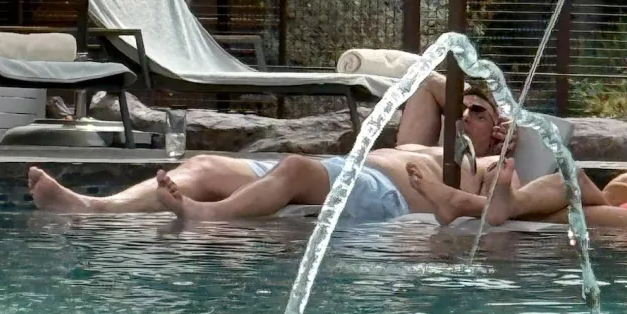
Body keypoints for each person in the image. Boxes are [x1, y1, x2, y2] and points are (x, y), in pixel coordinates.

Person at [27, 74, 516, 219]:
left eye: (479, 114)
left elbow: (503, 203)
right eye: (462, 109)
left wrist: (506, 131)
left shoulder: (484, 160)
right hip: (342, 169)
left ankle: (209, 217)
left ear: (495, 130)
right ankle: (95, 206)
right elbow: (431, 83)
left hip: (381, 193)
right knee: (205, 164)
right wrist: (479, 91)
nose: (466, 116)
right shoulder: (419, 144)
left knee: (296, 168)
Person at [406, 76, 627, 228]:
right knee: (572, 177)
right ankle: (486, 206)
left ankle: (475, 205)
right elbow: (616, 191)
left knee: (565, 193)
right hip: (615, 211)